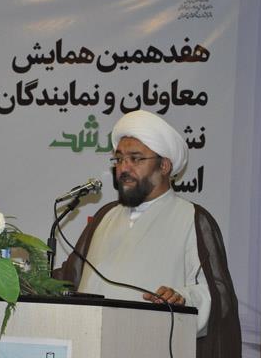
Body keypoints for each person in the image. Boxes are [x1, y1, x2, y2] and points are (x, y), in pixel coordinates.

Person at [54, 110, 241, 358]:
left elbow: (217, 294)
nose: (123, 168)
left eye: (135, 159)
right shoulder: (105, 215)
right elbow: (71, 278)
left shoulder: (192, 218)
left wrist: (182, 298)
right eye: (119, 159)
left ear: (164, 166)